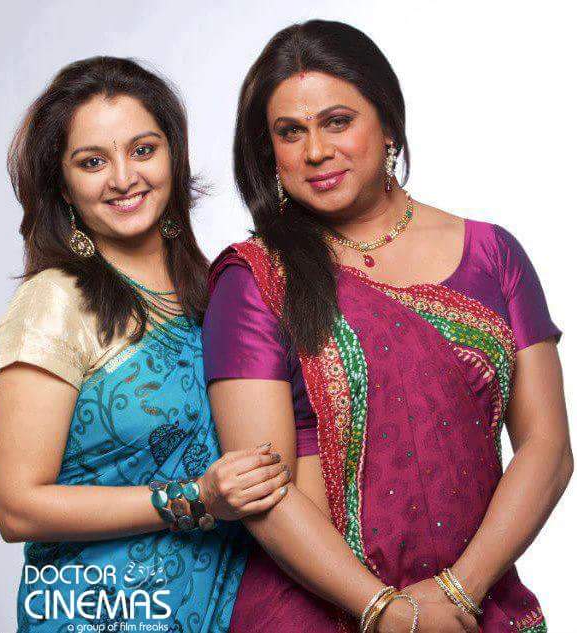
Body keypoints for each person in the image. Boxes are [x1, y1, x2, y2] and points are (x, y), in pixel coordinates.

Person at [202, 20, 572, 633]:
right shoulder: (255, 281)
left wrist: (458, 591)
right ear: (269, 152)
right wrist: (387, 611)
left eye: (337, 121)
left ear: (389, 122)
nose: (315, 151)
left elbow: (548, 449)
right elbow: (261, 488)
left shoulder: (493, 256)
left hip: (475, 604)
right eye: (290, 132)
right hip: (315, 610)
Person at [0, 56, 290, 632]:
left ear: (174, 157)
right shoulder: (55, 302)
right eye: (92, 162)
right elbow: (16, 507)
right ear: (62, 185)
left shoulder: (217, 291)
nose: (124, 178)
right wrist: (194, 499)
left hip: (225, 607)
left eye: (143, 150)